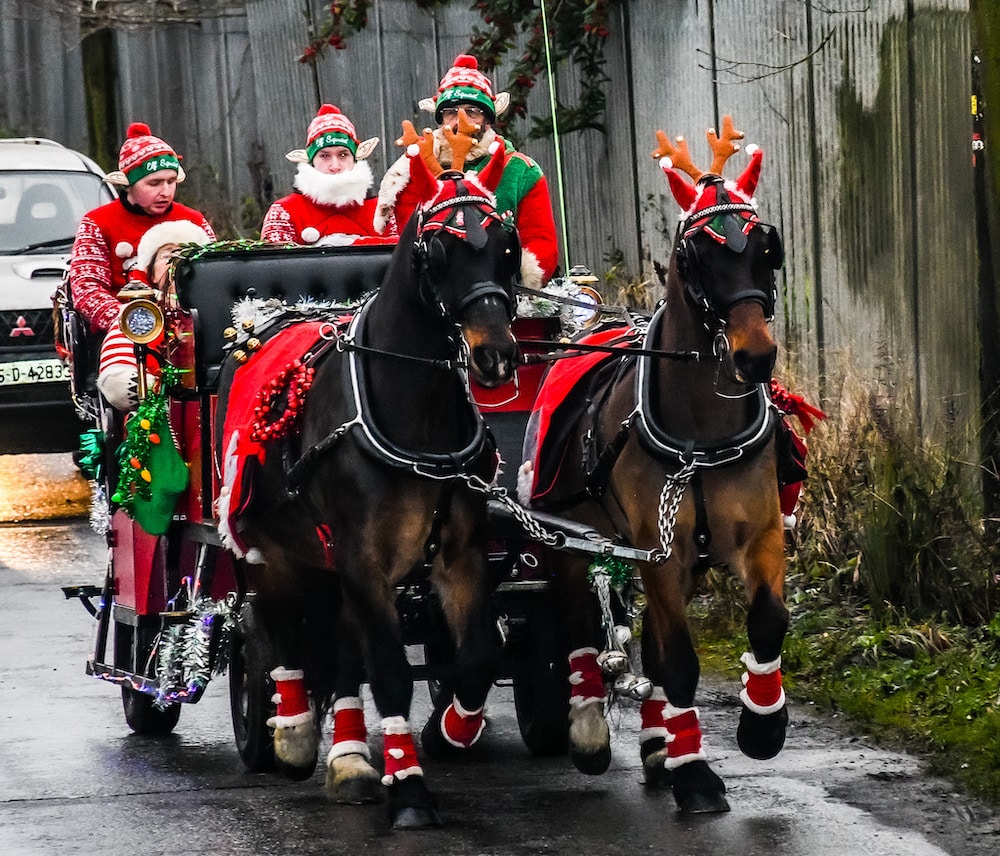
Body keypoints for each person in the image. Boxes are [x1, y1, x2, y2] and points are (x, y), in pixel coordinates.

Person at [375, 54, 559, 287]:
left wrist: (509, 279)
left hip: (499, 289)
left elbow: (540, 243)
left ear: (488, 118)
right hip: (431, 294)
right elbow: (403, 238)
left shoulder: (521, 171)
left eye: (472, 111)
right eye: (451, 111)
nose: (460, 120)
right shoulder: (415, 168)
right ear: (440, 117)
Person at [68, 122, 216, 337]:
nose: (165, 191)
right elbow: (86, 290)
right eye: (154, 184)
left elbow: (212, 279)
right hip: (123, 328)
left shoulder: (193, 221)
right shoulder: (98, 222)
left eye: (171, 182)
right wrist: (133, 322)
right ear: (128, 184)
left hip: (190, 326)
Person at [96, 220, 211, 411]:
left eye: (186, 254)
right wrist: (161, 390)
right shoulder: (138, 311)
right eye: (167, 255)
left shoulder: (216, 308)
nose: (177, 262)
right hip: (157, 417)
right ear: (151, 271)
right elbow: (116, 381)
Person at [260, 104, 395, 246]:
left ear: (356, 158)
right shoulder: (283, 213)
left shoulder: (385, 212)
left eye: (343, 155)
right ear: (311, 161)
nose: (335, 166)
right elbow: (276, 265)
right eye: (325, 156)